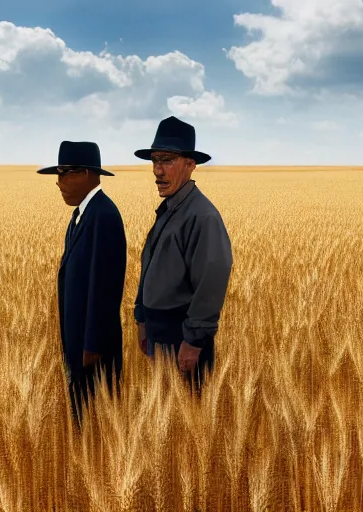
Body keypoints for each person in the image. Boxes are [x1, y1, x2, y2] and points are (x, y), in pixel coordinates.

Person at [133, 116, 233, 393]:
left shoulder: (203, 216)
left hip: (181, 337)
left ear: (190, 165)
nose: (157, 170)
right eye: (154, 161)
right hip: (159, 332)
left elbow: (211, 281)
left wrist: (194, 341)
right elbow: (150, 268)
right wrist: (142, 319)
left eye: (166, 160)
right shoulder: (169, 209)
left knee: (188, 418)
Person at [37, 141, 127, 426]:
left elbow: (106, 284)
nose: (59, 182)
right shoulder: (80, 216)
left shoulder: (104, 215)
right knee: (82, 420)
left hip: (93, 352)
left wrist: (93, 345)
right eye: (58, 174)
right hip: (79, 345)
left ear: (87, 174)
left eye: (66, 173)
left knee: (96, 426)